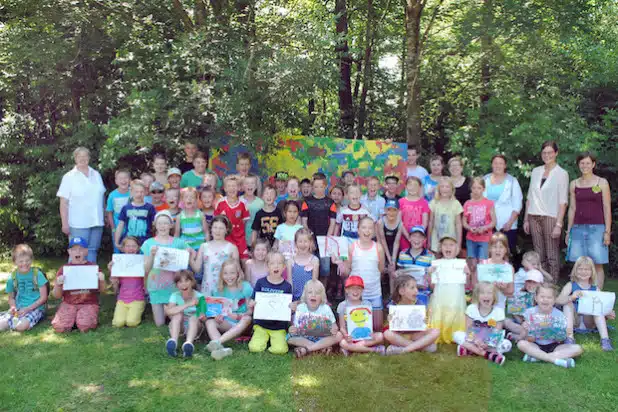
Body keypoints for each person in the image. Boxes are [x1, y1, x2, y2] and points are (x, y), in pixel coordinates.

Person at [523, 140, 569, 282]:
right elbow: (530, 196)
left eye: (550, 152)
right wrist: (525, 219)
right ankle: (540, 284)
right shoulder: (536, 171)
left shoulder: (562, 173)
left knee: (552, 254)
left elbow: (563, 202)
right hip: (533, 216)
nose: (547, 155)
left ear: (556, 153)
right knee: (539, 254)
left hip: (551, 217)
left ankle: (552, 285)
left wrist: (559, 224)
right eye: (544, 152)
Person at [566, 152, 611, 290]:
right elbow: (572, 208)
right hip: (578, 228)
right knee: (578, 264)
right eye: (582, 163)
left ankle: (596, 298)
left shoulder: (602, 182)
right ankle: (578, 297)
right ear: (578, 165)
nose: (584, 166)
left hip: (597, 229)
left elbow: (606, 207)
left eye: (587, 163)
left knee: (597, 263)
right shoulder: (574, 184)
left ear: (593, 164)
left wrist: (607, 231)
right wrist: (569, 231)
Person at [142, 211, 191, 326]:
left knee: (178, 320)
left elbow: (188, 258)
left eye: (165, 223)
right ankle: (166, 310)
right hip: (156, 286)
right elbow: (146, 269)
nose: (162, 226)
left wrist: (187, 253)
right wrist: (152, 255)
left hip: (174, 287)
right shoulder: (148, 243)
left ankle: (169, 310)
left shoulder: (179, 243)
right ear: (155, 225)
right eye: (160, 223)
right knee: (160, 323)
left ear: (171, 225)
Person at [57, 147, 106, 263]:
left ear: (89, 158)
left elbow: (101, 196)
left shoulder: (96, 174)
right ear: (75, 158)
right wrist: (64, 223)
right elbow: (63, 202)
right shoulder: (69, 177)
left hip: (97, 221)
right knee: (76, 253)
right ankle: (73, 280)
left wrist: (103, 215)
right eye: (80, 156)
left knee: (92, 251)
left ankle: (90, 280)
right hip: (78, 223)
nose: (83, 159)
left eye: (85, 156)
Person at [517, 283, 583, 368]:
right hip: (536, 344)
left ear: (554, 300)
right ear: (536, 298)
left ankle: (537, 357)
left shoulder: (559, 315)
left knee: (578, 348)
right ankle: (555, 360)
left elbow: (561, 339)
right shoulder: (530, 312)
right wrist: (525, 329)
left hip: (554, 345)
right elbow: (527, 338)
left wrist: (563, 333)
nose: (545, 300)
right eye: (542, 297)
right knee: (521, 344)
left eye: (549, 297)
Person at [556, 256, 614, 351]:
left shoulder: (595, 289)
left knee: (598, 308)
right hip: (575, 320)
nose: (583, 272)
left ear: (592, 272)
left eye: (587, 269)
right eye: (580, 269)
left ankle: (605, 340)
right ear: (575, 270)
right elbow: (558, 300)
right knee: (568, 304)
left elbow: (603, 306)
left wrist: (608, 313)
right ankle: (569, 337)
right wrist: (571, 297)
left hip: (589, 321)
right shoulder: (571, 285)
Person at [51, 237, 106, 333]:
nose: (78, 252)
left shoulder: (93, 268)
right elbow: (56, 295)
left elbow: (103, 291)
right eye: (74, 249)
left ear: (86, 251)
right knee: (60, 327)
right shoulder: (64, 269)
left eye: (81, 249)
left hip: (88, 303)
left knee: (85, 327)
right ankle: (73, 319)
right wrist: (58, 284)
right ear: (69, 252)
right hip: (69, 303)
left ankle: (79, 320)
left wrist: (102, 280)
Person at [206, 259, 254, 360]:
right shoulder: (218, 289)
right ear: (221, 275)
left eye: (232, 273)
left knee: (247, 319)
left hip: (242, 323)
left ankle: (218, 342)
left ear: (238, 273)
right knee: (210, 322)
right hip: (227, 322)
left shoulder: (245, 287)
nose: (229, 277)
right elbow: (215, 311)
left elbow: (250, 311)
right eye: (225, 273)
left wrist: (239, 316)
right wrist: (217, 316)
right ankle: (221, 350)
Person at [452, 282, 509, 365]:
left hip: (490, 339)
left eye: (489, 293)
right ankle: (488, 354)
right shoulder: (471, 309)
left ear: (494, 296)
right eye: (482, 293)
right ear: (477, 296)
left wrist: (487, 343)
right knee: (456, 335)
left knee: (507, 345)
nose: (486, 296)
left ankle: (470, 350)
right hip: (473, 337)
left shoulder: (499, 312)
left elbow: (497, 331)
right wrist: (476, 340)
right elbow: (468, 328)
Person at [248, 252, 293, 354]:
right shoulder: (260, 282)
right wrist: (251, 303)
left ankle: (272, 341)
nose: (276, 266)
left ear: (284, 267)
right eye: (272, 263)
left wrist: (291, 307)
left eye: (279, 263)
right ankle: (263, 338)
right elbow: (252, 299)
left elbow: (288, 306)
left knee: (280, 350)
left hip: (278, 326)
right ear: (267, 266)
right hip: (261, 324)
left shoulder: (287, 286)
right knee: (254, 348)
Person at [383, 275, 439, 355]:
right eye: (412, 288)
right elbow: (389, 325)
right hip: (401, 336)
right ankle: (421, 347)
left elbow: (424, 323)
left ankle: (404, 349)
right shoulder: (393, 305)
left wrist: (425, 320)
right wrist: (389, 320)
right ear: (401, 291)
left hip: (415, 335)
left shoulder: (419, 303)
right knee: (387, 333)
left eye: (416, 287)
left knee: (436, 331)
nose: (416, 291)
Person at [347, 217, 386, 331]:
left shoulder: (378, 248)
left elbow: (381, 269)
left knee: (377, 327)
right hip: (356, 294)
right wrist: (339, 263)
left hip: (374, 293)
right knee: (356, 326)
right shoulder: (352, 247)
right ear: (358, 230)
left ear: (374, 231)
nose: (367, 231)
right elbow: (348, 269)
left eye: (370, 228)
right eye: (364, 227)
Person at [428, 236, 468, 344]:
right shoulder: (437, 263)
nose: (448, 247)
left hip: (455, 296)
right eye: (445, 245)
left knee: (454, 309)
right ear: (441, 248)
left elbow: (467, 283)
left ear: (457, 248)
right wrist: (430, 272)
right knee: (440, 308)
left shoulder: (461, 264)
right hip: (441, 295)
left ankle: (454, 333)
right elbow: (432, 284)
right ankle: (438, 332)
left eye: (451, 245)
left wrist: (467, 273)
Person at [288, 280, 342, 358]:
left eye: (317, 293)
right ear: (305, 295)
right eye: (310, 292)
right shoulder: (301, 307)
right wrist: (292, 329)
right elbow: (295, 326)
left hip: (322, 337)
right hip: (304, 337)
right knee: (289, 338)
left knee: (339, 335)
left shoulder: (326, 308)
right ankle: (321, 348)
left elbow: (334, 326)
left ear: (322, 296)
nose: (313, 295)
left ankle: (307, 349)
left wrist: (334, 328)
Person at [0, 244, 48, 332]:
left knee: (21, 326)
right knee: (1, 325)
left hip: (36, 307)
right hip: (19, 308)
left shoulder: (37, 274)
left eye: (27, 260)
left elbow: (44, 298)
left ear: (31, 260)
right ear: (15, 262)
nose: (24, 263)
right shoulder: (13, 277)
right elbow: (11, 297)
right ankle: (11, 321)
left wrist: (28, 309)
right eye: (21, 261)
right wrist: (13, 307)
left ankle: (19, 323)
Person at [191, 215, 240, 296]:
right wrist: (191, 256)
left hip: (226, 288)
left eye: (221, 228)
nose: (218, 231)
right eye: (215, 227)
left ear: (226, 230)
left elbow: (237, 271)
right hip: (207, 288)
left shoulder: (232, 248)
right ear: (211, 229)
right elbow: (197, 269)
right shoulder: (204, 246)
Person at [483, 155, 523, 254]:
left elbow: (517, 205)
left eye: (501, 163)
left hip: (507, 225)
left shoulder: (512, 181)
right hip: (487, 225)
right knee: (488, 253)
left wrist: (510, 222)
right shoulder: (484, 179)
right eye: (495, 163)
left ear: (505, 166)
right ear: (492, 165)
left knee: (507, 254)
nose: (498, 166)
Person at [301, 173, 337, 281]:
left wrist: (327, 238)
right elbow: (304, 222)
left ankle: (323, 290)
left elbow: (332, 222)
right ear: (312, 187)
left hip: (325, 239)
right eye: (316, 187)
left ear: (325, 186)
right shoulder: (307, 202)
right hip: (311, 239)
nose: (318, 189)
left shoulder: (330, 203)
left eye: (321, 186)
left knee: (325, 268)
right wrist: (310, 239)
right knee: (310, 265)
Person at [337, 276, 386, 355]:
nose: (355, 291)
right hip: (350, 337)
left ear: (362, 290)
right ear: (346, 290)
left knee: (380, 336)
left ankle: (352, 349)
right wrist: (346, 336)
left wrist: (372, 333)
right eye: (352, 288)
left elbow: (369, 324)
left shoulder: (367, 304)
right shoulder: (342, 305)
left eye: (359, 288)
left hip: (365, 336)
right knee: (342, 342)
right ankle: (374, 350)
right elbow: (342, 327)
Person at [164, 271, 204, 358]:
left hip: (194, 326)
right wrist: (188, 304)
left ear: (192, 282)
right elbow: (169, 311)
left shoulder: (200, 296)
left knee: (194, 317)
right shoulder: (174, 295)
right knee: (178, 314)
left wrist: (201, 314)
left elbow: (203, 316)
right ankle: (174, 341)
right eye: (180, 282)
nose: (183, 284)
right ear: (177, 285)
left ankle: (188, 343)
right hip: (179, 327)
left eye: (186, 281)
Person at [109, 237, 146, 328]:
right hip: (122, 299)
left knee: (131, 322)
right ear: (123, 248)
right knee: (118, 323)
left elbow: (147, 283)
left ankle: (137, 312)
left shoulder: (142, 262)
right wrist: (111, 270)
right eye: (128, 246)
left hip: (137, 298)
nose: (131, 248)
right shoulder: (118, 262)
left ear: (138, 248)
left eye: (134, 246)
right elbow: (115, 287)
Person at [463, 177, 496, 274]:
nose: (476, 191)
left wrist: (485, 228)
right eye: (474, 188)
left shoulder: (489, 203)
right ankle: (472, 286)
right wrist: (469, 228)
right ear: (471, 189)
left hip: (485, 238)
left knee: (483, 263)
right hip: (471, 238)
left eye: (479, 188)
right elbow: (464, 222)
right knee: (472, 264)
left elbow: (494, 221)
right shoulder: (467, 204)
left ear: (484, 189)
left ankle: (483, 286)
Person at [215, 175, 250, 260]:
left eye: (234, 186)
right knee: (229, 262)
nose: (231, 188)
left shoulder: (244, 203)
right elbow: (216, 223)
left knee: (245, 261)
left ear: (238, 188)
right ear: (225, 188)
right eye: (229, 186)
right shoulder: (220, 203)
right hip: (226, 238)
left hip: (240, 239)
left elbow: (244, 223)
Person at [477, 233, 515, 310]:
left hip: (499, 306)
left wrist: (501, 288)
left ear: (505, 250)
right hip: (483, 305)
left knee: (496, 321)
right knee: (484, 321)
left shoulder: (509, 268)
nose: (498, 250)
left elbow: (511, 291)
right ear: (490, 249)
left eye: (501, 247)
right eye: (495, 247)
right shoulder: (483, 265)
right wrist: (488, 286)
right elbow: (476, 287)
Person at [114, 180, 156, 248]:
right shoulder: (125, 208)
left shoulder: (150, 208)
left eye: (141, 192)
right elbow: (120, 226)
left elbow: (155, 226)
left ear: (145, 192)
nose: (139, 194)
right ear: (131, 192)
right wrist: (116, 242)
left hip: (145, 242)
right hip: (129, 243)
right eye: (136, 192)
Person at [504, 269, 543, 342]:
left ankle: (515, 336)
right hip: (520, 323)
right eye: (528, 282)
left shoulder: (542, 297)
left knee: (536, 330)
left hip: (535, 325)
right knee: (505, 321)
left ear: (540, 284)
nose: (530, 285)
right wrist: (521, 321)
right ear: (525, 282)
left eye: (534, 282)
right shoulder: (519, 294)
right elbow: (515, 314)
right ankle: (523, 336)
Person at [396, 226, 433, 299]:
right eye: (414, 236)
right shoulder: (403, 254)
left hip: (424, 293)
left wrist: (429, 276)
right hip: (406, 294)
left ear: (424, 240)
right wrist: (396, 274)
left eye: (420, 237)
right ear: (409, 238)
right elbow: (400, 272)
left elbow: (433, 278)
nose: (417, 239)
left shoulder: (430, 256)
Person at [428, 177, 463, 252]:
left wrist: (459, 243)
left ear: (452, 189)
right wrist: (429, 240)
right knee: (436, 261)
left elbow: (458, 224)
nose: (444, 189)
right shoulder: (433, 203)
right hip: (436, 240)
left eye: (447, 187)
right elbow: (431, 222)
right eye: (442, 186)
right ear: (438, 188)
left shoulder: (456, 204)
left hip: (451, 241)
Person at [377, 199, 404, 292]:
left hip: (394, 248)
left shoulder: (400, 224)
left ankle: (392, 295)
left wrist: (392, 260)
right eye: (389, 210)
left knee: (392, 270)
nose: (391, 213)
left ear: (398, 211)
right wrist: (388, 258)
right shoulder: (381, 222)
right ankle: (378, 293)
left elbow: (397, 242)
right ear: (385, 210)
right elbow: (382, 240)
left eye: (394, 210)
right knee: (380, 270)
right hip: (382, 247)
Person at [399, 176, 430, 251]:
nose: (412, 188)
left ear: (420, 187)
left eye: (415, 185)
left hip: (419, 239)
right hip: (404, 237)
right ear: (406, 186)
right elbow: (399, 222)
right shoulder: (400, 202)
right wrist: (408, 237)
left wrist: (417, 237)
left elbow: (425, 223)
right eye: (410, 185)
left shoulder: (424, 203)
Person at [288, 228, 319, 301]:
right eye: (300, 241)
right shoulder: (291, 261)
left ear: (310, 243)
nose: (303, 244)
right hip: (294, 298)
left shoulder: (314, 260)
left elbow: (314, 282)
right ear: (295, 243)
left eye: (305, 241)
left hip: (308, 298)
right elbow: (290, 282)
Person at [105, 169, 131, 253]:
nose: (123, 180)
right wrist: (113, 228)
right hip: (117, 227)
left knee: (130, 247)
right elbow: (109, 212)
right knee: (117, 248)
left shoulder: (133, 192)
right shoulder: (112, 195)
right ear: (116, 181)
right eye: (120, 178)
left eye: (125, 178)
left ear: (130, 180)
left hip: (131, 227)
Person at [241, 174, 264, 249]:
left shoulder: (261, 203)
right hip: (240, 239)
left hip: (256, 240)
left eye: (252, 183)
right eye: (247, 183)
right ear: (243, 186)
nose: (249, 185)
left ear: (256, 186)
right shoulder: (238, 201)